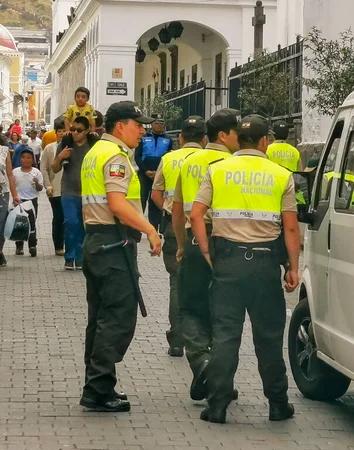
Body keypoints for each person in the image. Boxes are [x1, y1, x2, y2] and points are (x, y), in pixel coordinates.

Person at [190, 114, 301, 424]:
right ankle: (278, 404)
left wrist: (207, 250)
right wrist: (293, 267)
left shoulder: (217, 170)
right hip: (265, 265)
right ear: (265, 141)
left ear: (238, 139)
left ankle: (218, 406)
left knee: (226, 335)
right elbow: (291, 228)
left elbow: (197, 215)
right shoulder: (281, 175)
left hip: (227, 262)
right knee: (268, 337)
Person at [79, 100, 161, 413]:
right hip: (114, 244)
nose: (142, 130)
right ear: (120, 126)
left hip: (97, 242)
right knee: (116, 318)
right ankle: (98, 389)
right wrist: (151, 230)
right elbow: (117, 203)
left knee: (100, 317)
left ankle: (99, 383)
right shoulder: (115, 156)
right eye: (137, 124)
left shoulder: (95, 152)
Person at [172, 108, 240, 400]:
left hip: (195, 240)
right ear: (223, 135)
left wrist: (181, 244)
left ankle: (201, 361)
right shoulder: (236, 165)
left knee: (190, 307)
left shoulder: (188, 163)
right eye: (237, 131)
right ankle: (219, 376)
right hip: (229, 244)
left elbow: (177, 209)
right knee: (224, 314)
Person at [152, 116, 208, 358]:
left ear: (181, 138)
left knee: (177, 282)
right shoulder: (212, 160)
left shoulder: (169, 158)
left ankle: (177, 340)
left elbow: (156, 193)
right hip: (207, 230)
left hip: (174, 228)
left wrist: (168, 208)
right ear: (205, 139)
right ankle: (203, 339)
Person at [53, 117, 99, 270]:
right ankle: (70, 256)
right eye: (72, 129)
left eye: (78, 130)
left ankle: (80, 258)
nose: (74, 132)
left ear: (86, 131)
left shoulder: (93, 146)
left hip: (89, 192)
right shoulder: (65, 144)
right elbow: (54, 168)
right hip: (69, 191)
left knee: (84, 226)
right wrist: (61, 157)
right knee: (71, 223)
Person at [134, 113, 172, 230]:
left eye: (161, 123)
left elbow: (169, 156)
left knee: (155, 202)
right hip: (145, 174)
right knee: (141, 199)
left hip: (159, 174)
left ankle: (154, 227)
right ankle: (137, 226)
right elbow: (137, 156)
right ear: (152, 124)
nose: (159, 125)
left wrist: (159, 172)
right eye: (156, 123)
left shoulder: (168, 139)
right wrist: (145, 171)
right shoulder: (144, 137)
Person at [40, 118, 66, 256]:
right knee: (58, 217)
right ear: (55, 133)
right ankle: (58, 245)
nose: (62, 133)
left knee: (70, 218)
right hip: (55, 189)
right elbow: (43, 168)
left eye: (64, 131)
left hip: (70, 189)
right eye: (59, 131)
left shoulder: (72, 148)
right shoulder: (50, 148)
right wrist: (48, 185)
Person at [13, 149, 43, 257]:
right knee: (19, 223)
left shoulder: (36, 172)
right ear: (21, 159)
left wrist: (36, 183)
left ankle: (32, 245)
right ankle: (19, 246)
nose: (26, 160)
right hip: (19, 201)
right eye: (24, 157)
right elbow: (12, 186)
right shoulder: (15, 172)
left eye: (29, 158)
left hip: (32, 200)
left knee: (32, 223)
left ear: (32, 160)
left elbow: (40, 188)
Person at [0, 143, 20, 266]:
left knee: (1, 224)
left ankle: (0, 251)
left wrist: (15, 194)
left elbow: (10, 174)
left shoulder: (3, 150)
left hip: (2, 193)